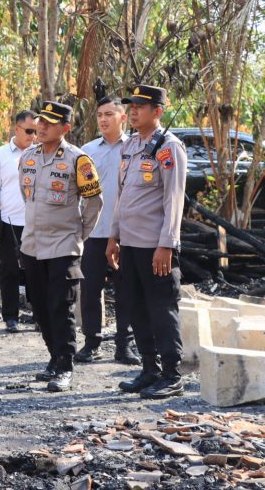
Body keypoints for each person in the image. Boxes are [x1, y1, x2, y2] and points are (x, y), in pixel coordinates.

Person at [106, 85, 187, 399]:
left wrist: (166, 244)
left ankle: (172, 374)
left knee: (161, 309)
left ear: (158, 111)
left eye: (141, 106)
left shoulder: (168, 148)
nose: (134, 111)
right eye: (132, 105)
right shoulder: (130, 147)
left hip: (157, 248)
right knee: (136, 308)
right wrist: (114, 237)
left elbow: (173, 200)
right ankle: (150, 370)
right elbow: (122, 196)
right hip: (130, 245)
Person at [19, 101, 103, 392]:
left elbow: (94, 202)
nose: (41, 127)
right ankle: (54, 358)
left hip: (63, 246)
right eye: (40, 121)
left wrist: (79, 234)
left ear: (65, 128)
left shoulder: (79, 161)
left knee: (61, 307)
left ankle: (65, 366)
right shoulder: (28, 157)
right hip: (31, 245)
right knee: (40, 308)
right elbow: (25, 196)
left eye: (49, 123)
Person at [75, 97, 140, 366]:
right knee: (90, 289)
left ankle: (125, 345)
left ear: (123, 117)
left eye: (109, 114)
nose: (103, 119)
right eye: (100, 114)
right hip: (93, 233)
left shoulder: (135, 148)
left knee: (126, 289)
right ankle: (92, 342)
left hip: (126, 234)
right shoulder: (87, 151)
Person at [0, 110, 38, 333]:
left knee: (36, 270)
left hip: (35, 222)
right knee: (9, 271)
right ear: (16, 129)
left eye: (36, 131)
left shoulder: (42, 153)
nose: (33, 135)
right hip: (8, 221)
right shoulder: (1, 155)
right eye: (29, 131)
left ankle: (39, 315)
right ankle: (10, 317)